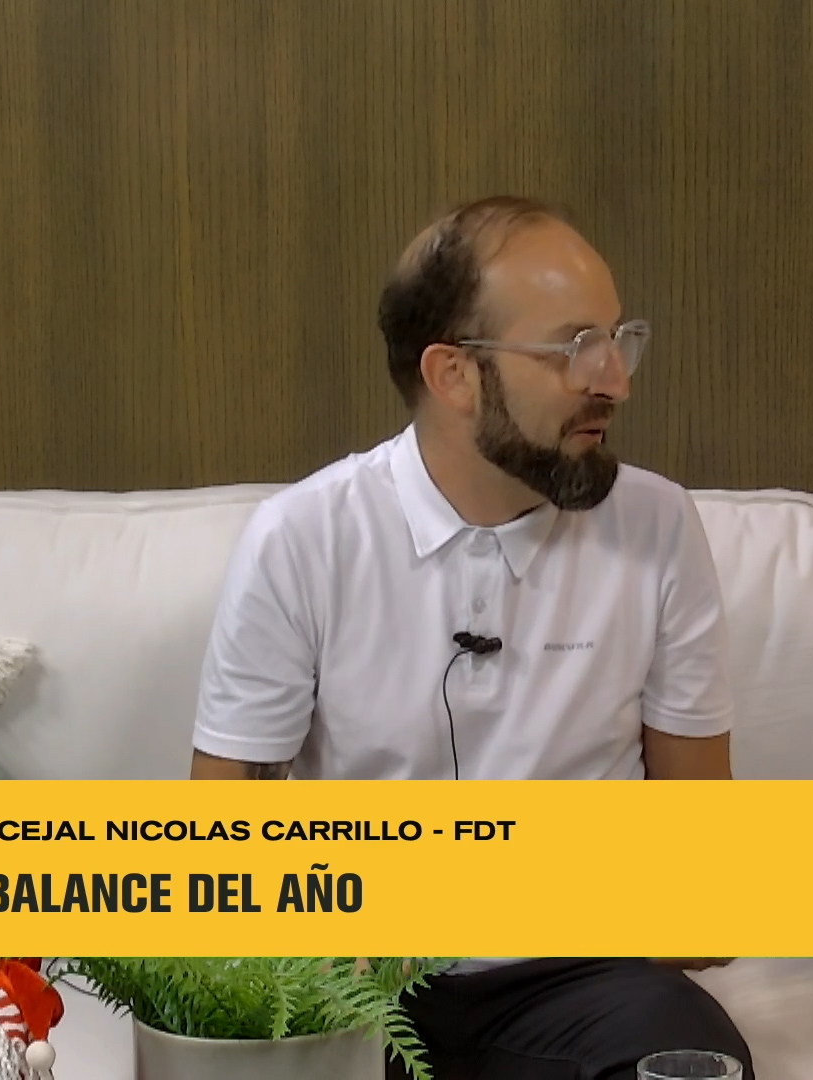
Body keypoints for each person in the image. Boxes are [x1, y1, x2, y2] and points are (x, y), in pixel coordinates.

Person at [190, 196, 754, 1080]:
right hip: (357, 982)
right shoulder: (304, 537)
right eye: (575, 347)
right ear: (453, 374)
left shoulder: (657, 526)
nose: (615, 380)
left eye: (618, 339)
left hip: (578, 980)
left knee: (692, 1061)